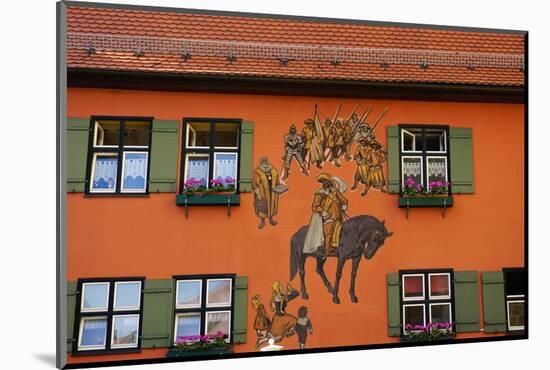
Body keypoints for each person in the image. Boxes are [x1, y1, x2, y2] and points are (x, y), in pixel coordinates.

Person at [304, 173, 349, 257]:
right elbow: (315, 206)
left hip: (338, 217)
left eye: (326, 182)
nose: (325, 184)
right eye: (323, 182)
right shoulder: (320, 193)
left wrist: (344, 205)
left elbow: (344, 200)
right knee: (329, 231)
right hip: (327, 218)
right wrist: (323, 212)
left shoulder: (335, 192)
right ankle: (328, 251)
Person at [252, 157, 280, 229]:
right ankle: (262, 221)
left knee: (272, 206)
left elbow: (277, 182)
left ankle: (271, 219)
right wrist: (258, 193)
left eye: (265, 161)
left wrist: (279, 188)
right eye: (263, 161)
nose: (264, 162)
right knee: (262, 207)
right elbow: (255, 184)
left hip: (273, 192)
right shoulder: (258, 171)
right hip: (263, 193)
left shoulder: (274, 171)